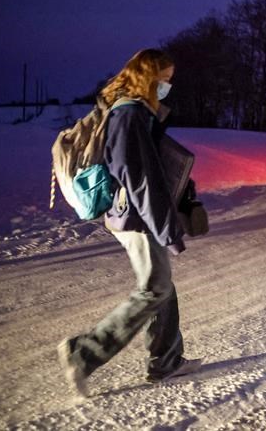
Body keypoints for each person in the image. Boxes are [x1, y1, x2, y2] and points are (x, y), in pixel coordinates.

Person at [57, 49, 200, 397]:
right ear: (149, 78)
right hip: (135, 216)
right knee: (153, 288)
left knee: (161, 283)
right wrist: (168, 230)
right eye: (164, 78)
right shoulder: (129, 114)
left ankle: (167, 359)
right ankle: (83, 353)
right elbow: (139, 179)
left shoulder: (134, 111)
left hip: (137, 212)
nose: (168, 85)